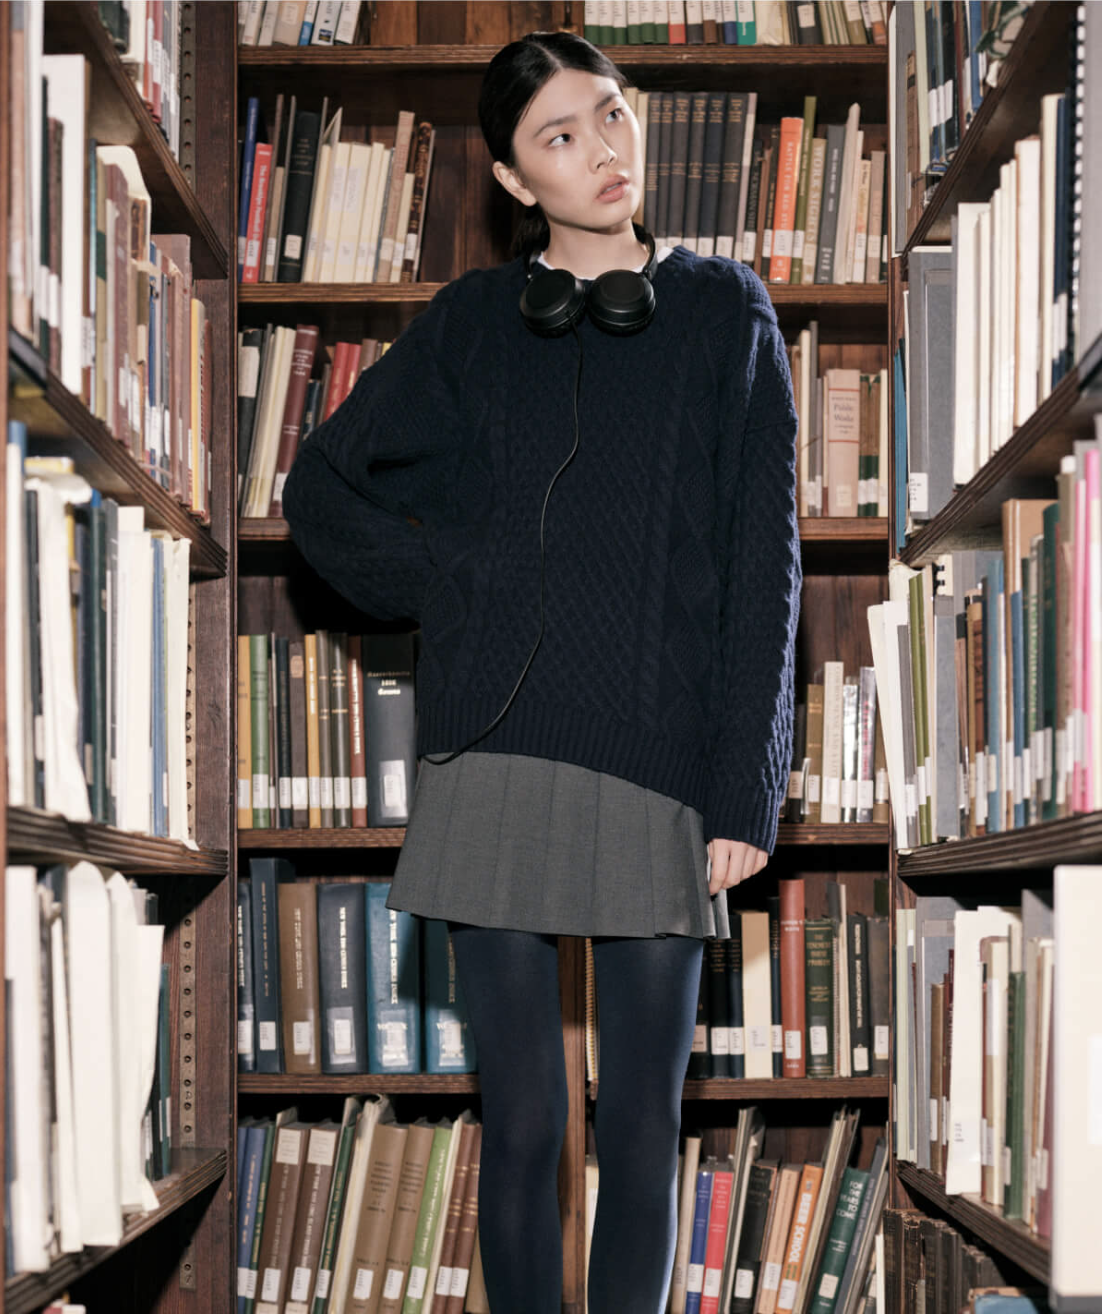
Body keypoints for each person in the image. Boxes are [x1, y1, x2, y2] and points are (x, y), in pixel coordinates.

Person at [281, 29, 801, 1313]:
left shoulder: (726, 310)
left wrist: (748, 791)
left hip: (658, 757)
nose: (601, 151)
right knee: (518, 1134)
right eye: (559, 138)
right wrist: (449, 580)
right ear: (516, 183)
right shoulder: (469, 324)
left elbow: (765, 565)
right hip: (493, 754)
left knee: (636, 1136)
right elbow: (320, 490)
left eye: (610, 116)